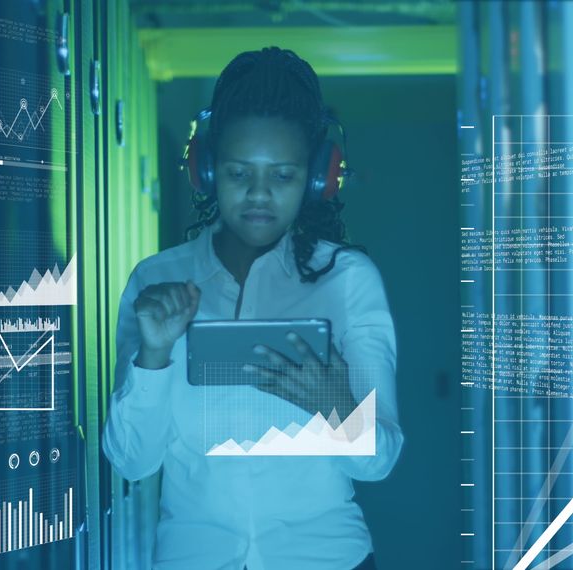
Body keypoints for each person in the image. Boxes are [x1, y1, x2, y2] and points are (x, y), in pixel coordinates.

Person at [102, 46, 403, 570]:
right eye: (239, 174)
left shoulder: (349, 281)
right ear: (207, 169)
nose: (259, 196)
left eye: (283, 176)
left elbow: (378, 461)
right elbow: (132, 461)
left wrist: (339, 408)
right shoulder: (157, 280)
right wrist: (154, 355)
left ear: (317, 178)